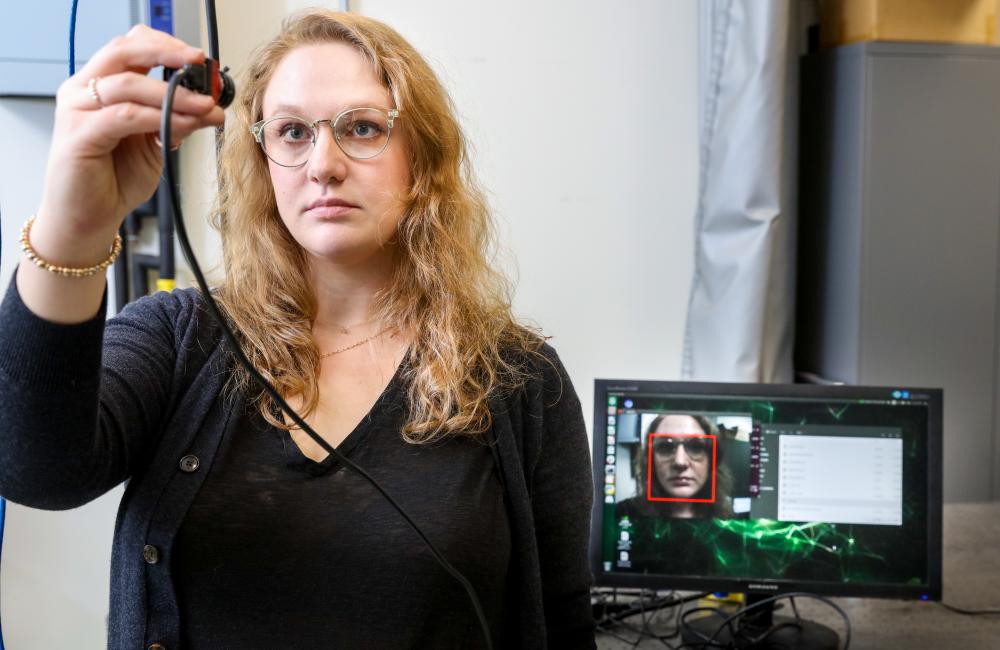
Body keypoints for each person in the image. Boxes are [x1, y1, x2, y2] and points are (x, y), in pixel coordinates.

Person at [0, 10, 595, 649]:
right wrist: (75, 225)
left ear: (420, 158)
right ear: (263, 160)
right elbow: (35, 470)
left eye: (362, 127)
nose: (323, 164)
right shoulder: (179, 338)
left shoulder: (520, 380)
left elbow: (561, 619)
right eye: (290, 132)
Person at [617, 414, 734, 519]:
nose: (680, 462)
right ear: (651, 460)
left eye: (696, 447)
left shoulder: (729, 519)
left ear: (712, 460)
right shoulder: (621, 514)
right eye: (665, 447)